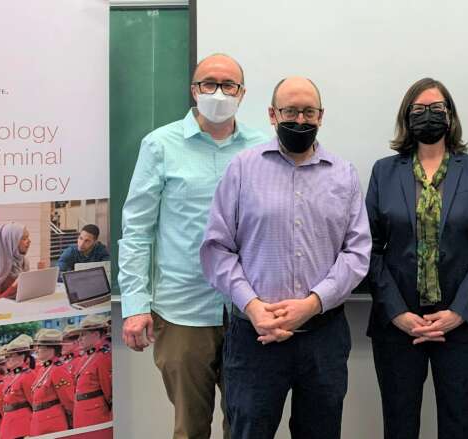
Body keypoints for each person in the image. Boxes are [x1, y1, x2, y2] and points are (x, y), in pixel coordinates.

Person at [201, 76, 371, 439]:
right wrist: (253, 307)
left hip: (323, 337)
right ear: (272, 114)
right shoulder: (243, 168)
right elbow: (217, 248)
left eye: (309, 111)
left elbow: (357, 253)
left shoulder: (344, 174)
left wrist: (312, 304)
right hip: (255, 337)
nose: (300, 119)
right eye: (290, 111)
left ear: (321, 116)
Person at [119, 53, 267, 439]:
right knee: (190, 429)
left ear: (242, 93)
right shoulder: (160, 145)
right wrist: (135, 305)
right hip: (183, 312)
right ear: (193, 90)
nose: (218, 93)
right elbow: (137, 231)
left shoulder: (263, 147)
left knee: (248, 426)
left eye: (228, 85)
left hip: (250, 312)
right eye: (208, 84)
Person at [365, 78, 468, 439]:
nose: (428, 115)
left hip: (463, 323)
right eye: (419, 109)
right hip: (398, 323)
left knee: (460, 425)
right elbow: (369, 248)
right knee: (399, 425)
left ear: (450, 115)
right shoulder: (384, 171)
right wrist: (397, 312)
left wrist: (459, 312)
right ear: (406, 116)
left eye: (437, 108)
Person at [28, 328, 76, 435]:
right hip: (38, 422)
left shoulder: (58, 369)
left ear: (50, 349)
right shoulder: (43, 369)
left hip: (52, 423)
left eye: (39, 347)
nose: (36, 350)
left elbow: (68, 399)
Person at [72, 314, 113, 428]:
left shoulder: (104, 356)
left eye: (83, 335)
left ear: (96, 334)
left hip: (96, 415)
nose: (79, 339)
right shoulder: (86, 357)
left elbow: (109, 393)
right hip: (81, 413)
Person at [0, 334, 35, 439]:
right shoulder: (11, 376)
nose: (7, 359)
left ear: (22, 356)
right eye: (7, 357)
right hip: (8, 423)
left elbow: (33, 402)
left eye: (11, 356)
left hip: (21, 424)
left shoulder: (28, 375)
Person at [0, 222, 31, 300]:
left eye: (28, 237)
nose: (29, 241)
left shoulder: (23, 261)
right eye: (24, 238)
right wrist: (14, 287)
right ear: (9, 243)